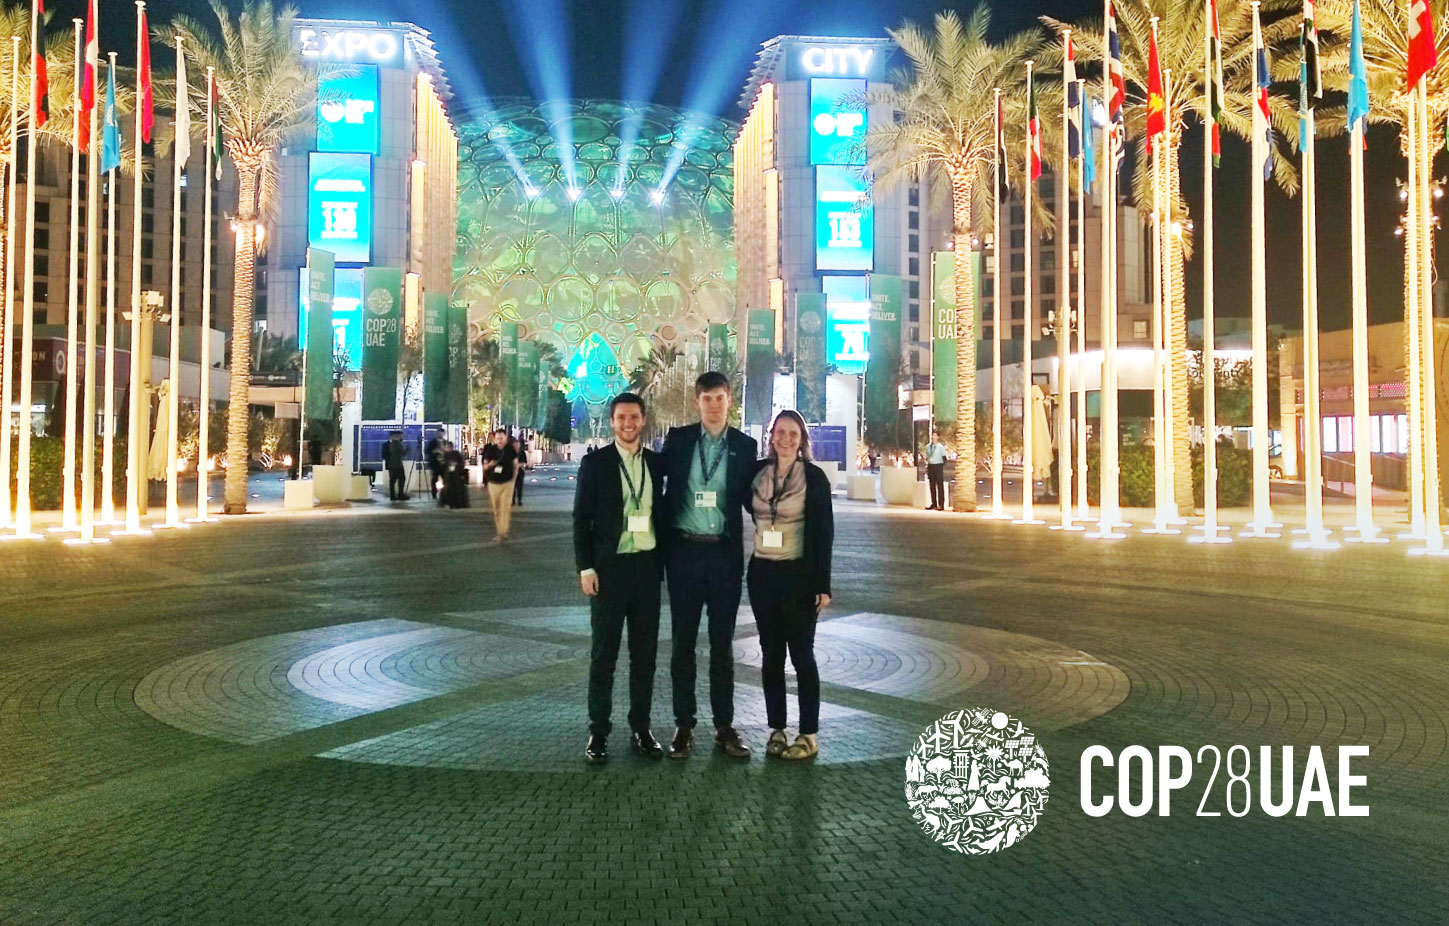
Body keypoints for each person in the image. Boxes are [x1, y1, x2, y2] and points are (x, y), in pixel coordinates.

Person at [661, 371, 758, 760]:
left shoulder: (744, 446)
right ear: (697, 401)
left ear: (729, 400)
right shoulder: (680, 441)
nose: (714, 404)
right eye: (707, 398)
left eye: (720, 397)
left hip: (723, 556)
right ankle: (684, 725)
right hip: (684, 554)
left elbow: (756, 498)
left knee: (722, 645)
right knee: (683, 643)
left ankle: (724, 726)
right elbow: (655, 483)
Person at [574, 392, 667, 764]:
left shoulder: (658, 464)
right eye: (621, 418)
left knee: (645, 656)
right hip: (609, 572)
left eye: (634, 417)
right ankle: (598, 731)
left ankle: (641, 728)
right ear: (612, 422)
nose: (628, 424)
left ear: (643, 421)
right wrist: (586, 567)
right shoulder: (595, 464)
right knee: (604, 655)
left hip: (646, 569)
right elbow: (581, 519)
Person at [747, 410, 833, 761]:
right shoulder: (757, 474)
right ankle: (777, 729)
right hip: (762, 575)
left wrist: (822, 585)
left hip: (798, 577)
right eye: (780, 432)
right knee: (770, 656)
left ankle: (808, 734)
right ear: (771, 436)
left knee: (801, 656)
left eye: (793, 434)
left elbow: (824, 532)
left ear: (802, 440)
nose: (785, 439)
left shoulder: (813, 478)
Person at [480, 429, 518, 541]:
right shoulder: (490, 450)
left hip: (507, 483)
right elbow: (484, 466)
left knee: (505, 508)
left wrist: (514, 479)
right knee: (496, 509)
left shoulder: (510, 449)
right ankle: (500, 531)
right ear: (494, 439)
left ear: (505, 439)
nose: (500, 441)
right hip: (493, 483)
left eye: (502, 438)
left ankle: (502, 533)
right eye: (498, 438)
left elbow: (515, 464)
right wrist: (490, 465)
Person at [440, 441, 470, 509]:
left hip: (456, 475)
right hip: (449, 475)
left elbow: (461, 463)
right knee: (449, 489)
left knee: (455, 489)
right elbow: (443, 465)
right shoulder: (445, 455)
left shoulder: (456, 454)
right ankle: (450, 503)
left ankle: (455, 503)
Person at [924, 430, 949, 511]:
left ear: (938, 437)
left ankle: (941, 504)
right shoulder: (928, 447)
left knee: (940, 486)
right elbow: (927, 456)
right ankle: (934, 503)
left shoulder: (940, 447)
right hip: (931, 466)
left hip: (938, 467)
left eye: (935, 435)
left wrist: (940, 466)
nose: (933, 437)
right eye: (932, 435)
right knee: (932, 486)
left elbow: (944, 458)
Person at [381, 430, 409, 501]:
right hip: (397, 465)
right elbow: (403, 453)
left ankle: (393, 495)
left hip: (391, 465)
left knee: (393, 480)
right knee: (401, 479)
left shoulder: (393, 444)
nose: (402, 437)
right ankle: (400, 495)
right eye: (401, 436)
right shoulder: (396, 444)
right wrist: (408, 449)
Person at [425, 430, 444, 499]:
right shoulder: (432, 442)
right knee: (434, 479)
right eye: (439, 433)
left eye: (442, 433)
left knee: (445, 478)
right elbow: (427, 451)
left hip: (443, 464)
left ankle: (444, 493)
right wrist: (434, 451)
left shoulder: (444, 442)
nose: (440, 435)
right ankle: (434, 494)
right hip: (434, 464)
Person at [512, 435, 529, 506]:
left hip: (520, 472)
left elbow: (525, 462)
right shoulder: (511, 453)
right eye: (515, 444)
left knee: (519, 486)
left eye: (518, 444)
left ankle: (519, 500)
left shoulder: (522, 453)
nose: (516, 446)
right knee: (513, 486)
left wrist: (519, 465)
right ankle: (512, 500)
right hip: (512, 472)